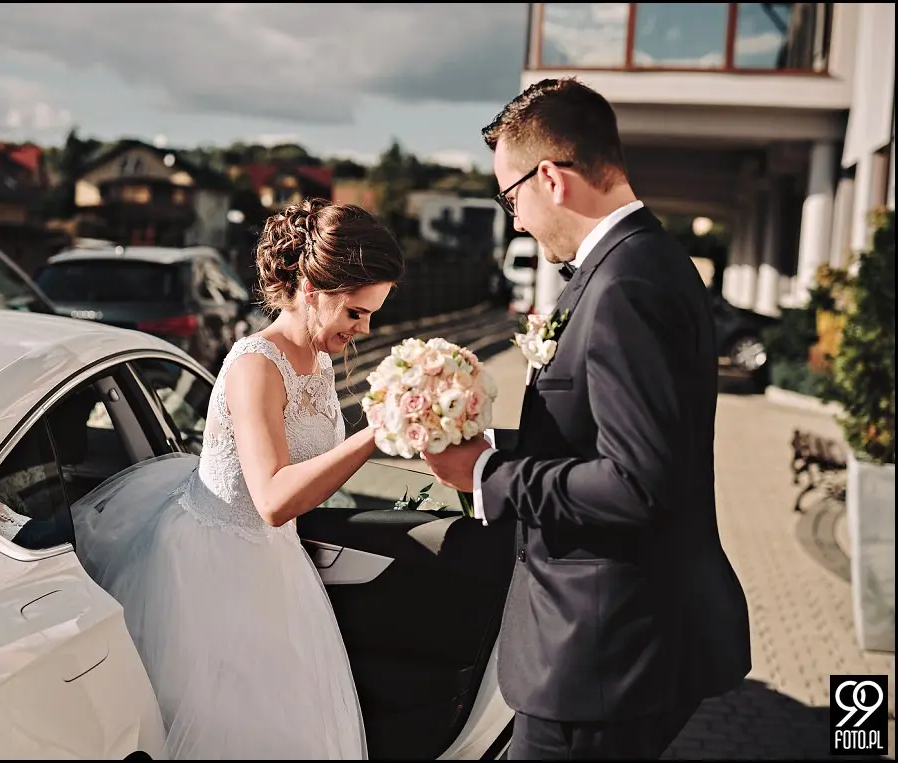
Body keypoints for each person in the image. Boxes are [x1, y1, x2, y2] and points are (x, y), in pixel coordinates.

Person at [422, 77, 752, 760]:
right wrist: (497, 443)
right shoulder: (635, 262)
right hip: (620, 643)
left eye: (509, 195)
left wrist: (491, 474)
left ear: (550, 178)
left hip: (603, 652)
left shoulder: (626, 283)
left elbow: (638, 483)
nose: (514, 217)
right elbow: (609, 436)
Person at [71, 198, 405, 760]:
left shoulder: (318, 362)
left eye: (371, 314)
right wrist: (376, 432)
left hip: (276, 564)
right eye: (355, 312)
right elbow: (273, 498)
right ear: (312, 288)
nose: (364, 329)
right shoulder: (255, 364)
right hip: (209, 573)